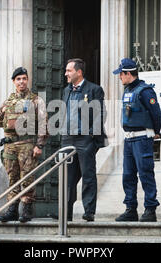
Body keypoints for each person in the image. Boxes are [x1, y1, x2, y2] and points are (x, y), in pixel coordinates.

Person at [113, 58, 161, 222]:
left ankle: (150, 209)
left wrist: (156, 131)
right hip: (129, 140)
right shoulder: (128, 90)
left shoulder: (145, 91)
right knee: (128, 175)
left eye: (121, 74)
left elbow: (157, 114)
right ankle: (131, 209)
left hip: (142, 138)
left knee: (145, 174)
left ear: (128, 73)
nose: (119, 77)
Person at [0, 67, 48, 223]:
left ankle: (26, 209)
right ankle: (12, 209)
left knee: (26, 178)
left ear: (27, 80)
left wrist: (39, 145)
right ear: (14, 82)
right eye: (18, 79)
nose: (21, 81)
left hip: (26, 144)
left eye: (24, 78)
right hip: (10, 146)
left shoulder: (36, 100)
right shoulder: (8, 101)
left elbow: (44, 124)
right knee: (12, 178)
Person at [61, 58, 107, 222]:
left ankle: (89, 211)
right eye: (66, 70)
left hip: (85, 139)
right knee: (68, 177)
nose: (66, 73)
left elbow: (100, 114)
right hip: (68, 138)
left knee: (88, 175)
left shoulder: (94, 89)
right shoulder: (66, 90)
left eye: (69, 70)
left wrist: (92, 135)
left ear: (79, 72)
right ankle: (66, 213)